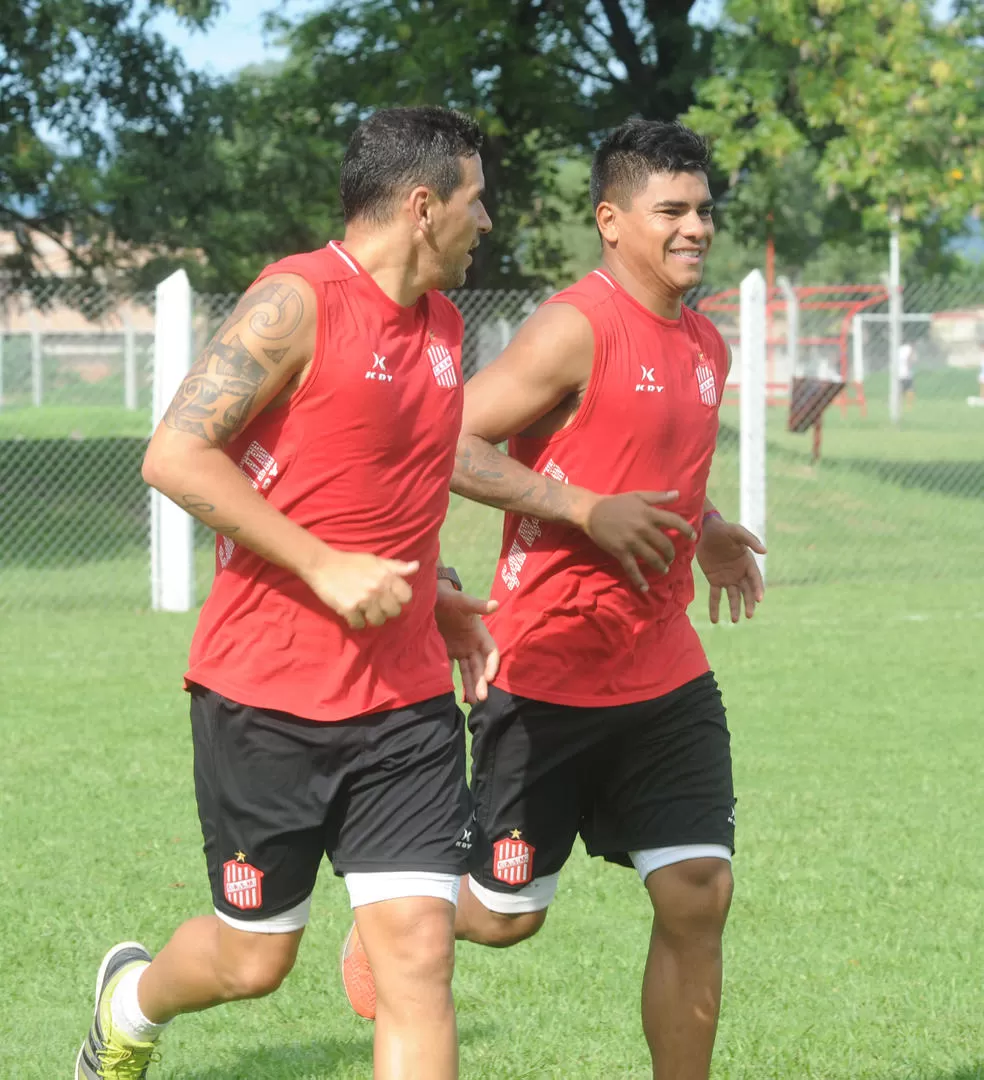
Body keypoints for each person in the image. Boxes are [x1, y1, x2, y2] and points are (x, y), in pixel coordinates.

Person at [76, 105, 498, 1080]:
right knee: (253, 959)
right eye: (478, 202)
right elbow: (175, 455)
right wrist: (320, 565)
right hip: (265, 700)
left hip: (405, 704)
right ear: (425, 205)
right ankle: (130, 1004)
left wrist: (437, 595)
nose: (488, 224)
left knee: (418, 958)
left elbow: (391, 493)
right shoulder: (295, 300)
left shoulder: (444, 324)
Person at [342, 118, 766, 1079]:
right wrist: (583, 511)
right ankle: (396, 917)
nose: (696, 227)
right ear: (612, 221)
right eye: (672, 211)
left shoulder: (705, 343)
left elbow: (651, 466)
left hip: (662, 671)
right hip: (544, 672)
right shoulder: (575, 325)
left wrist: (710, 532)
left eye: (703, 210)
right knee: (505, 915)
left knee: (699, 890)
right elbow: (450, 445)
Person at [899, 341, 915, 408]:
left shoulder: (899, 349)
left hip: (899, 373)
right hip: (907, 373)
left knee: (901, 390)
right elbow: (910, 358)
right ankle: (909, 405)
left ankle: (899, 404)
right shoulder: (909, 348)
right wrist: (909, 366)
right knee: (910, 389)